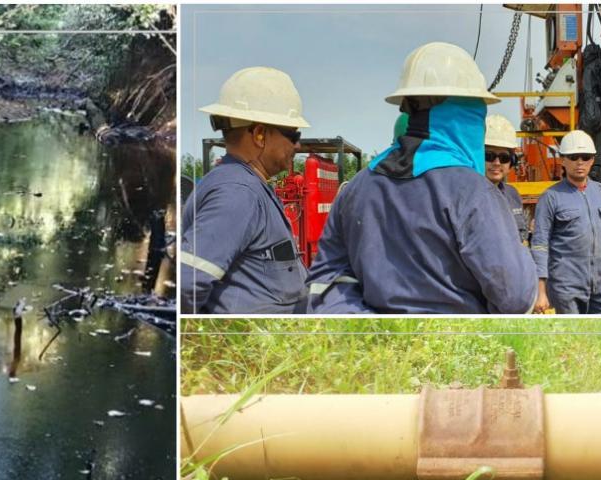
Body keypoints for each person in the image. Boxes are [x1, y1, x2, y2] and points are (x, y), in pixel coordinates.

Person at [306, 42, 536, 313]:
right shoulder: (473, 192)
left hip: (378, 344)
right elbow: (517, 297)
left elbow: (327, 281)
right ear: (469, 112)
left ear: (406, 106)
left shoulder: (357, 187)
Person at [179, 66, 309, 314]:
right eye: (293, 134)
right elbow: (188, 283)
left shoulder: (249, 186)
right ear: (260, 134)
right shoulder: (237, 194)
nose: (298, 145)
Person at [530, 130, 601, 314]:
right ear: (563, 160)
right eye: (573, 157)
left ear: (592, 160)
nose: (579, 162)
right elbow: (540, 246)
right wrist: (540, 292)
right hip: (566, 289)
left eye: (585, 157)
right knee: (575, 338)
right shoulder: (551, 198)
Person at [484, 114, 529, 244]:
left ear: (512, 162)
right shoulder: (466, 196)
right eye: (489, 156)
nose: (497, 163)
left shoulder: (512, 194)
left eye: (504, 158)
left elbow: (522, 239)